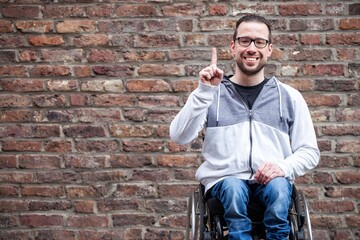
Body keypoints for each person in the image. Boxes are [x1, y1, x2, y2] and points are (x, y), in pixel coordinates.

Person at [170, 14, 320, 240]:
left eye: (259, 42)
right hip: (224, 184)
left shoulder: (290, 97)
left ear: (269, 49)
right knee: (232, 187)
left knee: (279, 187)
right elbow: (179, 136)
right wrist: (203, 92)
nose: (252, 48)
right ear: (233, 47)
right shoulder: (211, 93)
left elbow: (310, 152)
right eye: (244, 41)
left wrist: (283, 167)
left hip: (272, 184)